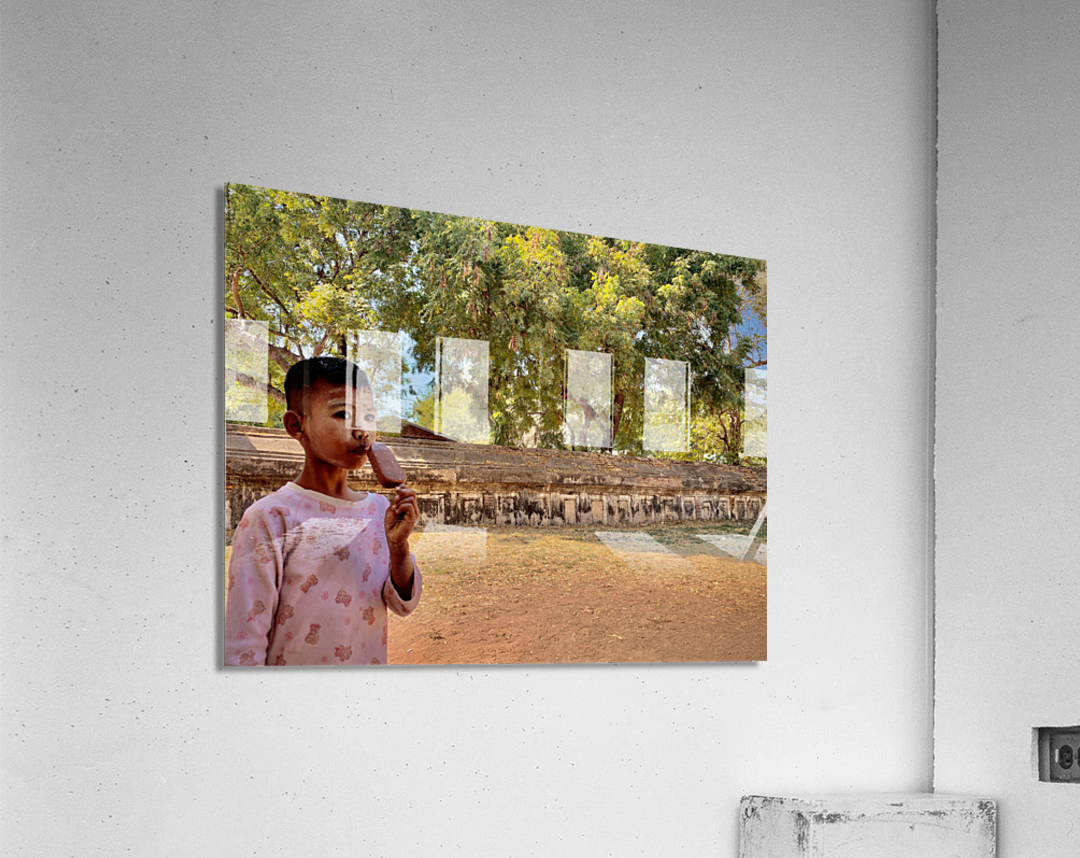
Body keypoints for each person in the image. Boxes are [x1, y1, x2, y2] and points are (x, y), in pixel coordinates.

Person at [224, 356, 422, 665]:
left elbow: (402, 604)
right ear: (296, 425)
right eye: (343, 414)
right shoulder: (270, 518)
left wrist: (398, 549)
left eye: (369, 415)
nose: (362, 430)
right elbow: (243, 646)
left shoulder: (380, 510)